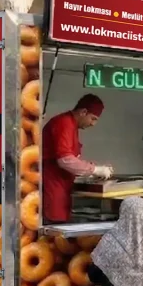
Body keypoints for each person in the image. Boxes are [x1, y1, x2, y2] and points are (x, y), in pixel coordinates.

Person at [41, 94, 112, 223]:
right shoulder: (64, 123)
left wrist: (89, 174)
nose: (93, 124)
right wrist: (95, 169)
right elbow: (65, 160)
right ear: (83, 112)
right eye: (93, 118)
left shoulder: (72, 126)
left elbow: (72, 159)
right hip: (52, 190)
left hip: (62, 190)